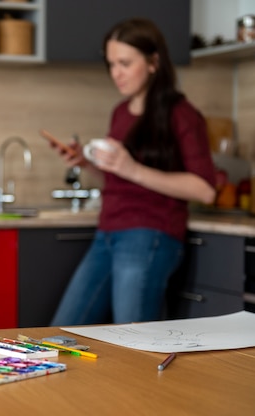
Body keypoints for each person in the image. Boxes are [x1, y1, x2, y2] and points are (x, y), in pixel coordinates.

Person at [49, 18, 216, 326]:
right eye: (111, 64)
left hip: (149, 236)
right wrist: (86, 164)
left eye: (125, 63)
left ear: (154, 62)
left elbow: (205, 189)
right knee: (62, 332)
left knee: (135, 339)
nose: (116, 73)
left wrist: (133, 168)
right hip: (107, 233)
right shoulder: (121, 113)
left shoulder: (182, 115)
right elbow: (120, 180)